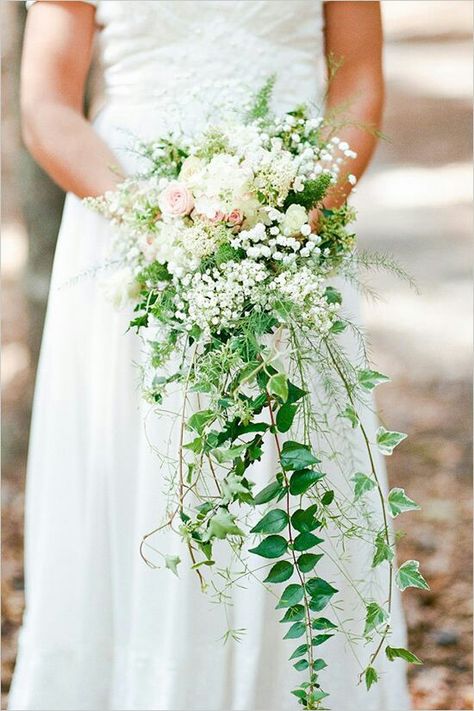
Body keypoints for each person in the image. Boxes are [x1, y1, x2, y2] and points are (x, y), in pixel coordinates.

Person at [10, 2, 411, 709]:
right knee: (145, 472)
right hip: (127, 224)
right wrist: (149, 216)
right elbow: (46, 102)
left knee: (296, 470)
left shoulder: (298, 220)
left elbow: (359, 81)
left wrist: (304, 211)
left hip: (293, 228)